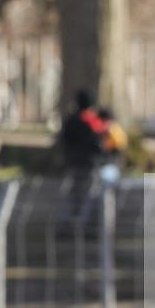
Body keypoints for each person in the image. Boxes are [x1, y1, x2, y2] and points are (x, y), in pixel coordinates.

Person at [59, 89, 107, 227]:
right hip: (89, 164)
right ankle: (81, 225)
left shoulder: (70, 121)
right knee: (89, 194)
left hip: (72, 163)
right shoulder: (92, 121)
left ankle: (66, 222)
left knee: (72, 193)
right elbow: (98, 144)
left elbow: (64, 141)